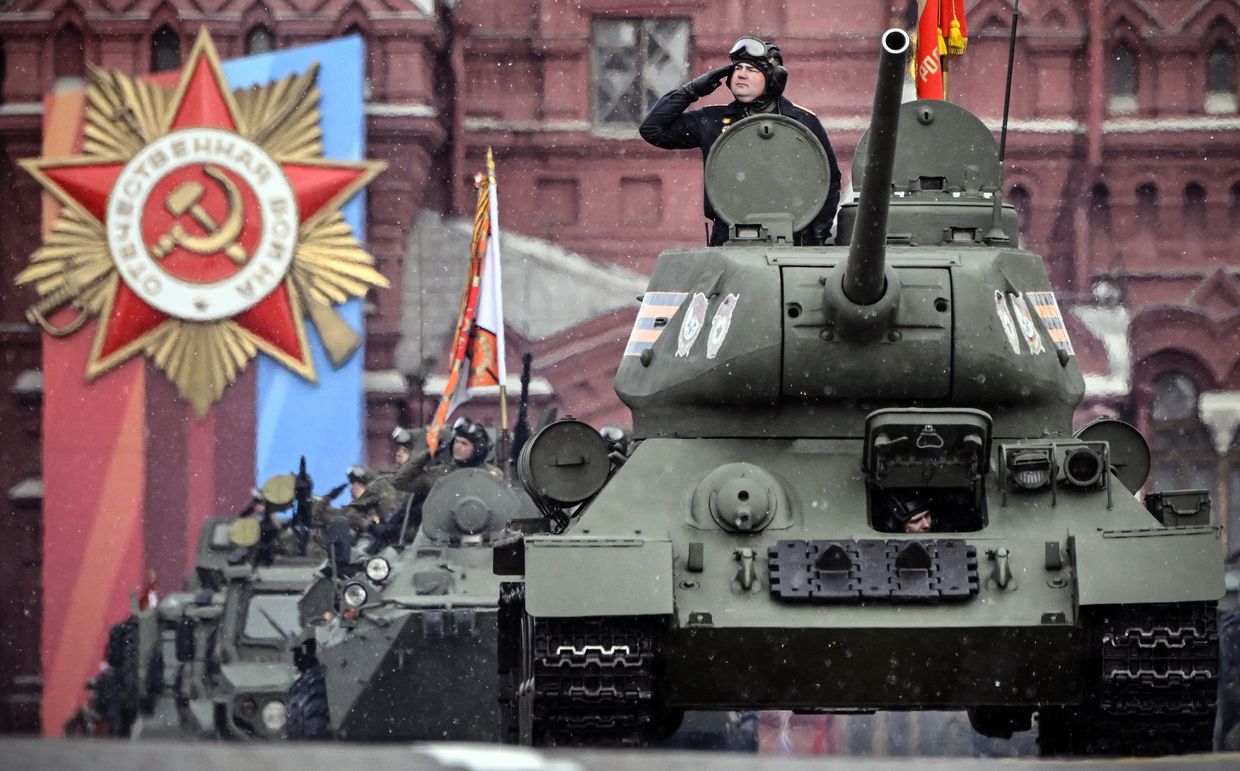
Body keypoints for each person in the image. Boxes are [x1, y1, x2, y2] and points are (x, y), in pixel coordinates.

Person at [639, 35, 841, 246]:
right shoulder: (713, 121)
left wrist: (816, 237)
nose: (741, 74)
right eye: (737, 68)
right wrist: (692, 90)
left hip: (791, 240)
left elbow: (828, 180)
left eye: (752, 70)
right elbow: (652, 129)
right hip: (729, 239)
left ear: (773, 79)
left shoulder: (801, 122)